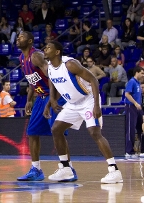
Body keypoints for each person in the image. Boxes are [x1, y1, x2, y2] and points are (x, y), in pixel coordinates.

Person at [43, 40, 123, 184]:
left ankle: (114, 170)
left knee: (94, 131)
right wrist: (51, 101)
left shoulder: (70, 64)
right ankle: (66, 168)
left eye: (48, 47)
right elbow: (53, 82)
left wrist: (97, 106)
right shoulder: (49, 67)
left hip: (88, 99)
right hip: (73, 103)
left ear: (57, 52)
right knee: (56, 129)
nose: (45, 48)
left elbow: (93, 80)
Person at [15, 31, 74, 182]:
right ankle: (36, 169)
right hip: (39, 98)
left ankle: (68, 167)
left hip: (53, 96)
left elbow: (52, 76)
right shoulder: (22, 58)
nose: (18, 38)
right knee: (32, 132)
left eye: (21, 37)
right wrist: (29, 100)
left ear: (29, 41)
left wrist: (52, 98)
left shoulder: (36, 56)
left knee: (57, 132)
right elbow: (31, 80)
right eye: (18, 36)